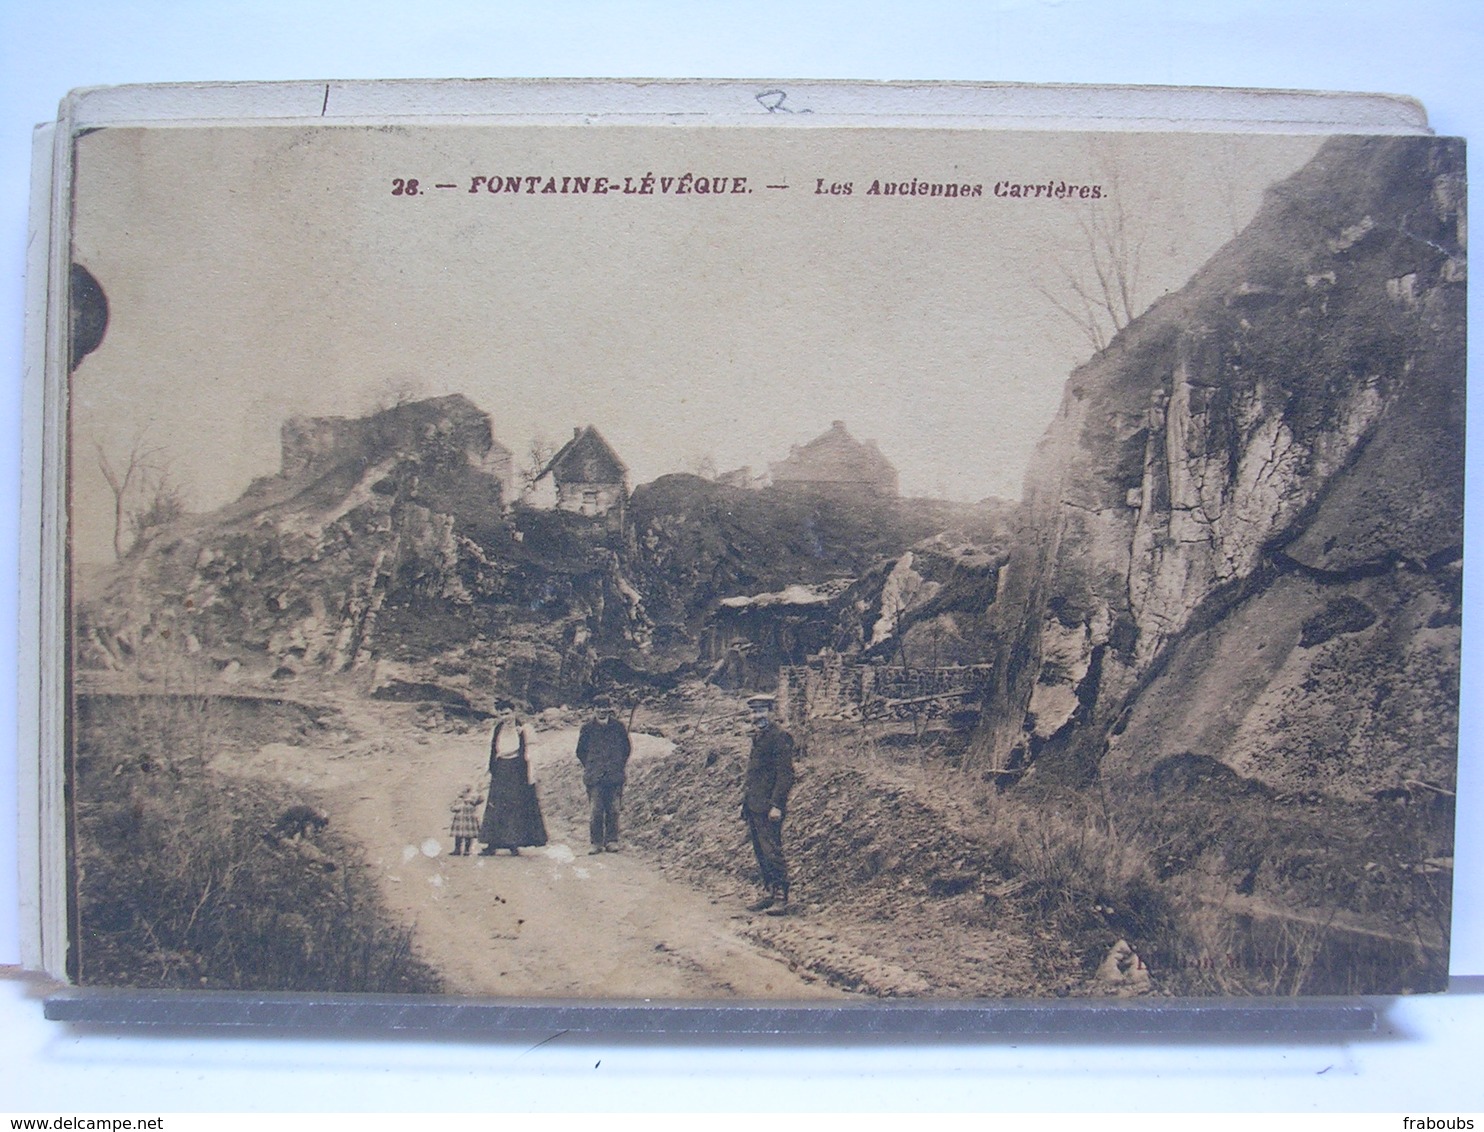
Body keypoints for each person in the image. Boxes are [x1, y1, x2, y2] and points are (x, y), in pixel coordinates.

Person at [741, 694, 796, 915]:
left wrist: (777, 805)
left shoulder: (780, 737)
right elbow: (755, 775)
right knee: (761, 851)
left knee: (772, 850)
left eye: (762, 711)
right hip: (754, 804)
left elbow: (785, 775)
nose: (757, 716)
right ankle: (770, 892)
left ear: (772, 712)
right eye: (754, 712)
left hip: (769, 807)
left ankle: (781, 897)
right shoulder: (759, 737)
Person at [478, 712, 548, 855]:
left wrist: (531, 773)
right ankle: (493, 843)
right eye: (502, 714)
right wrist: (489, 769)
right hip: (501, 768)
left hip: (517, 769)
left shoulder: (523, 728)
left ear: (513, 713)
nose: (506, 717)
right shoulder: (498, 729)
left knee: (514, 805)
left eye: (508, 713)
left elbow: (531, 751)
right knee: (496, 805)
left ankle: (513, 842)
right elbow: (492, 750)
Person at [575, 698, 631, 854]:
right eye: (598, 708)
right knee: (596, 811)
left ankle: (612, 840)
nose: (601, 711)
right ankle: (596, 843)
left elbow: (626, 749)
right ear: (593, 709)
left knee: (613, 809)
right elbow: (580, 751)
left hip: (614, 775)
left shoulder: (618, 727)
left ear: (609, 709)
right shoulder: (587, 728)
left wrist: (617, 765)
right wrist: (592, 765)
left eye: (604, 708)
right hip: (595, 777)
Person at [448, 785, 483, 857]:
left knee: (469, 835)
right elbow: (452, 808)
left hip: (469, 819)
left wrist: (472, 801)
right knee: (458, 835)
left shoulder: (473, 798)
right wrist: (457, 806)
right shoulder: (458, 800)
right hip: (460, 820)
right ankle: (457, 849)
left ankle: (467, 850)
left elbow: (480, 799)